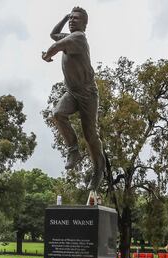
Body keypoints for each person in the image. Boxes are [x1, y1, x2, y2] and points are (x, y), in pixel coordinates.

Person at [42, 6, 107, 200]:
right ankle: (73, 150)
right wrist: (63, 17)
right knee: (57, 114)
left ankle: (99, 168)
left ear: (84, 24)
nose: (72, 21)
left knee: (90, 135)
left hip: (88, 94)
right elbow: (54, 34)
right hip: (72, 92)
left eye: (76, 18)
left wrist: (47, 56)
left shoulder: (79, 38)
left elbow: (55, 46)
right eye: (70, 18)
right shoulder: (68, 36)